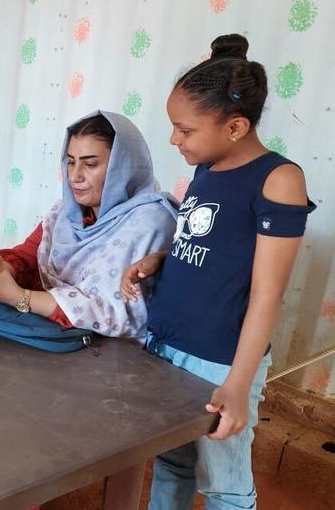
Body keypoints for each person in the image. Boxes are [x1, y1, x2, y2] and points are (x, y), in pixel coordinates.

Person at [121, 34, 315, 509]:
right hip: (169, 342)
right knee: (171, 463)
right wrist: (160, 260)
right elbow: (216, 245)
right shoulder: (208, 167)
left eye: (184, 130)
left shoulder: (279, 180)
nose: (174, 139)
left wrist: (237, 383)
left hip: (220, 359)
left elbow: (267, 293)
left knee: (224, 481)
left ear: (235, 127)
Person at [0, 111, 177, 340]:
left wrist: (18, 297)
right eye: (71, 162)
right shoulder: (66, 213)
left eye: (90, 164)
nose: (74, 176)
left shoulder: (151, 222)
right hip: (57, 336)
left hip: (113, 354)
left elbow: (116, 313)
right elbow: (29, 255)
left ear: (124, 168)